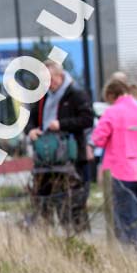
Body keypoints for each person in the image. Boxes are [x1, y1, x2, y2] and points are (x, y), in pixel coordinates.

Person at [27, 60, 94, 232]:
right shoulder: (42, 97)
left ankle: (78, 238)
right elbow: (30, 119)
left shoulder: (76, 94)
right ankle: (49, 239)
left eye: (51, 79)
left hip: (71, 158)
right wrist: (31, 131)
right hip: (46, 160)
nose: (48, 84)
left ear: (60, 75)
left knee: (73, 203)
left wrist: (62, 124)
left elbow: (87, 119)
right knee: (45, 202)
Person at [91, 77, 137, 246]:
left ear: (111, 95)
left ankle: (130, 258)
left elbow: (98, 139)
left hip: (121, 172)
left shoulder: (112, 113)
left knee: (125, 220)